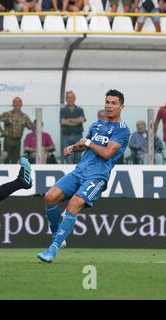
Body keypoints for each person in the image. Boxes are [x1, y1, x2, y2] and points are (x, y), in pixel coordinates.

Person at [37, 89, 130, 263]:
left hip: (97, 177)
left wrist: (87, 142)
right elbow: (85, 145)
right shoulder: (97, 125)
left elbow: (106, 153)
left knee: (73, 205)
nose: (109, 106)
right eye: (107, 102)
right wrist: (73, 147)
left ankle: (53, 249)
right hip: (79, 171)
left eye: (113, 103)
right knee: (50, 197)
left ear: (121, 107)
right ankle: (59, 237)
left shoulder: (123, 131)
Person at [0, 97, 34, 164]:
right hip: (8, 139)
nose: (17, 105)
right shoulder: (7, 114)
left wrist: (36, 125)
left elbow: (31, 126)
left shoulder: (24, 116)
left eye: (19, 103)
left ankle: (13, 173)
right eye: (15, 103)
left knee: (15, 160)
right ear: (13, 104)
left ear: (21, 105)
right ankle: (6, 172)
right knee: (7, 158)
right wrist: (1, 130)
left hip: (18, 140)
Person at [60, 90, 85, 164]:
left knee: (78, 158)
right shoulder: (63, 110)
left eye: (71, 97)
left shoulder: (80, 109)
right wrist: (76, 121)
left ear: (74, 98)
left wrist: (69, 120)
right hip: (66, 137)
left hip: (78, 136)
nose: (70, 99)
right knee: (69, 159)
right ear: (66, 99)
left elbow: (81, 120)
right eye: (68, 97)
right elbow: (63, 122)